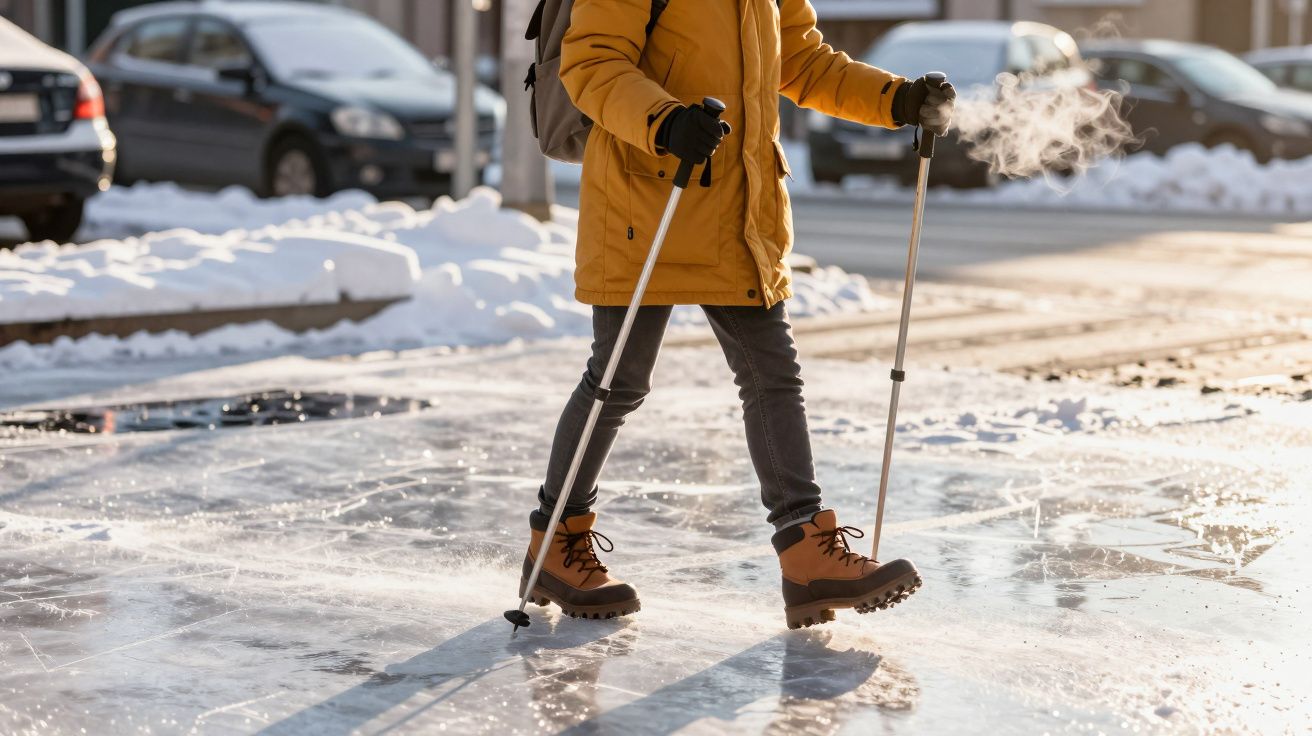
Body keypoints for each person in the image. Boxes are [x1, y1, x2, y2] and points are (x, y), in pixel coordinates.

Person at [519, 0, 956, 629]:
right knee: (618, 380)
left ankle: (806, 552)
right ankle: (556, 541)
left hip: (738, 210)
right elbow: (592, 63)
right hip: (649, 197)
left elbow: (801, 61)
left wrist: (896, 99)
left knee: (773, 374)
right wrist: (665, 119)